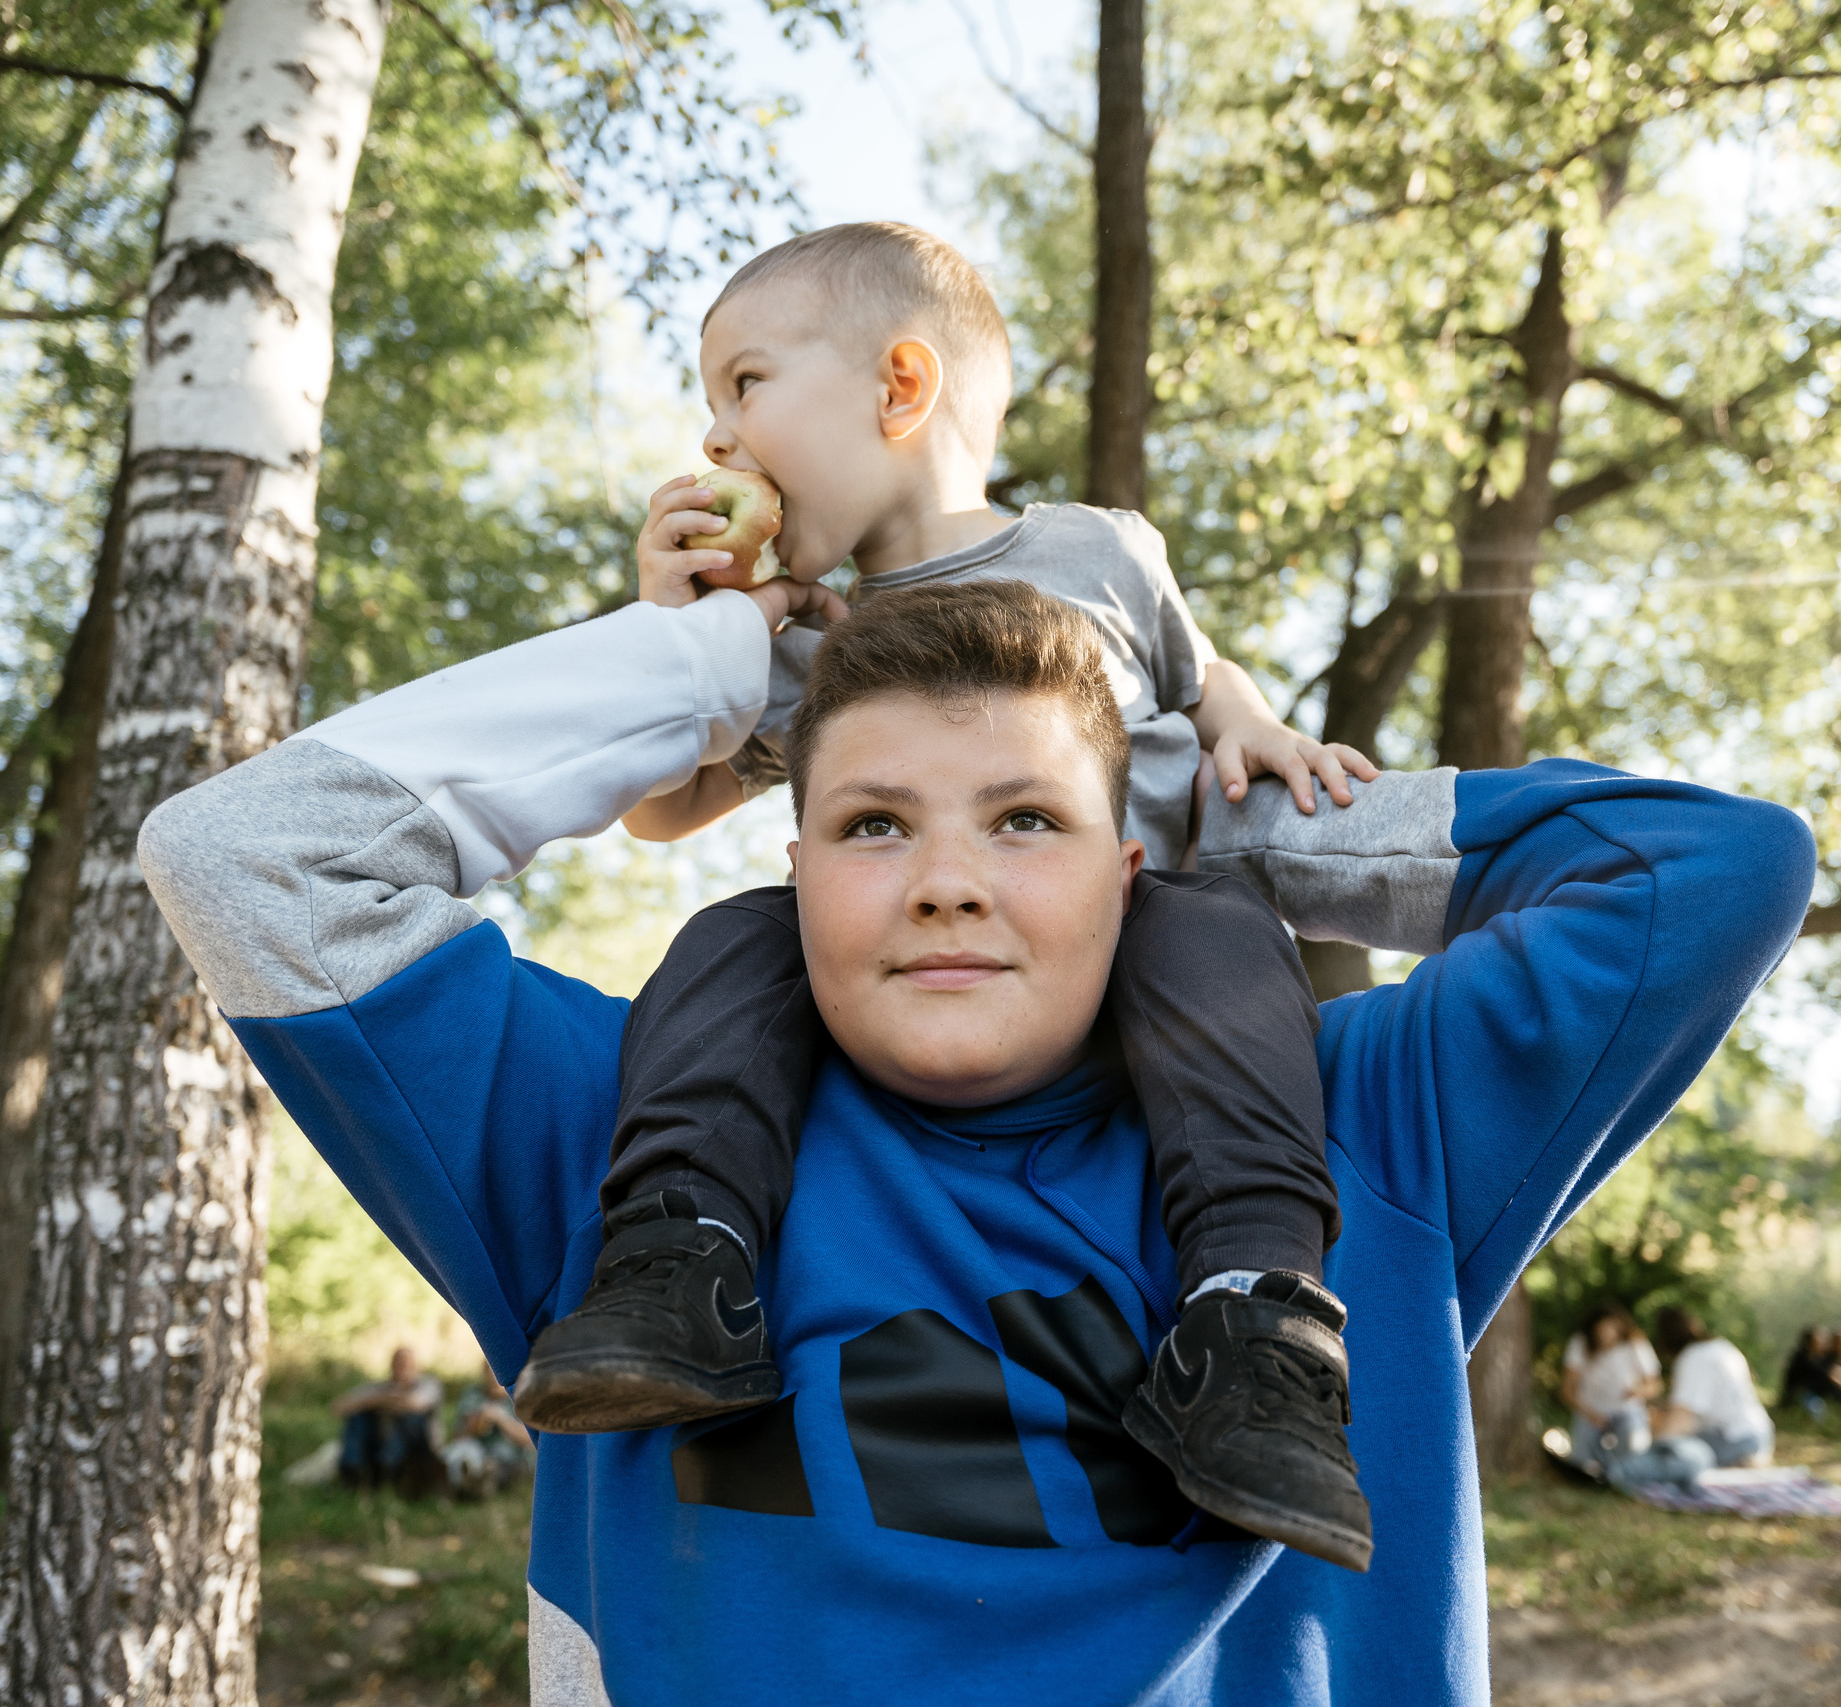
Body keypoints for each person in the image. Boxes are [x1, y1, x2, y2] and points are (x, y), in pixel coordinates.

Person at [136, 572, 1815, 1703]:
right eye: (874, 824)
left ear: (1132, 872)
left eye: (1027, 820)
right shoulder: (622, 1137)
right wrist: (706, 667)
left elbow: (1714, 869)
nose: (947, 881)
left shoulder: (1355, 1124)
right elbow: (245, 857)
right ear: (794, 871)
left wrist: (1246, 813)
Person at [510, 223, 1385, 1569]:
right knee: (739, 932)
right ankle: (681, 1257)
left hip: (1138, 946)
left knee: (1217, 927)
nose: (718, 438)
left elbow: (1201, 676)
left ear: (900, 386)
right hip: (934, 984)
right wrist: (680, 635)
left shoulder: (1097, 552)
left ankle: (1253, 1317)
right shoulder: (804, 638)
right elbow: (661, 810)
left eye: (745, 384)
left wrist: (1257, 732)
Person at [1652, 1308, 1774, 1468]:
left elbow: (1680, 1418)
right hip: (1759, 1434)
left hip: (1736, 1439)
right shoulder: (1723, 1347)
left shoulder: (1693, 1357)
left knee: (1672, 1453)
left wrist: (1653, 1446)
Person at [1560, 1304, 1660, 1474]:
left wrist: (1639, 1391)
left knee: (1632, 1454)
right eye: (1601, 1330)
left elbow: (1655, 1385)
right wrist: (1590, 1414)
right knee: (1581, 1465)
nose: (1606, 1335)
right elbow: (1567, 1391)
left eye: (1611, 1328)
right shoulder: (1580, 1343)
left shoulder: (1635, 1343)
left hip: (1627, 1412)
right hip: (1590, 1412)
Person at [334, 1347, 443, 1493]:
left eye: (406, 1363)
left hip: (419, 1450)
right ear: (391, 1365)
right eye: (398, 1362)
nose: (402, 1366)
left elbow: (414, 1403)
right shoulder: (380, 1387)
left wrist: (379, 1402)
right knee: (358, 1417)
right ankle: (351, 1468)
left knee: (409, 1418)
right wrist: (381, 1400)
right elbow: (338, 1407)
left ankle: (385, 1468)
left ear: (416, 1366)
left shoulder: (429, 1385)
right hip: (379, 1444)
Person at [445, 1365, 536, 1498]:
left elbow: (530, 1440)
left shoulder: (521, 1395)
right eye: (491, 1374)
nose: (494, 1380)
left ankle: (475, 1484)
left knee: (495, 1467)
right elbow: (457, 1436)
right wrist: (476, 1424)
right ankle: (469, 1482)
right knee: (462, 1455)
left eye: (498, 1375)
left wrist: (500, 1419)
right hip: (477, 1454)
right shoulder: (472, 1394)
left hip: (512, 1459)